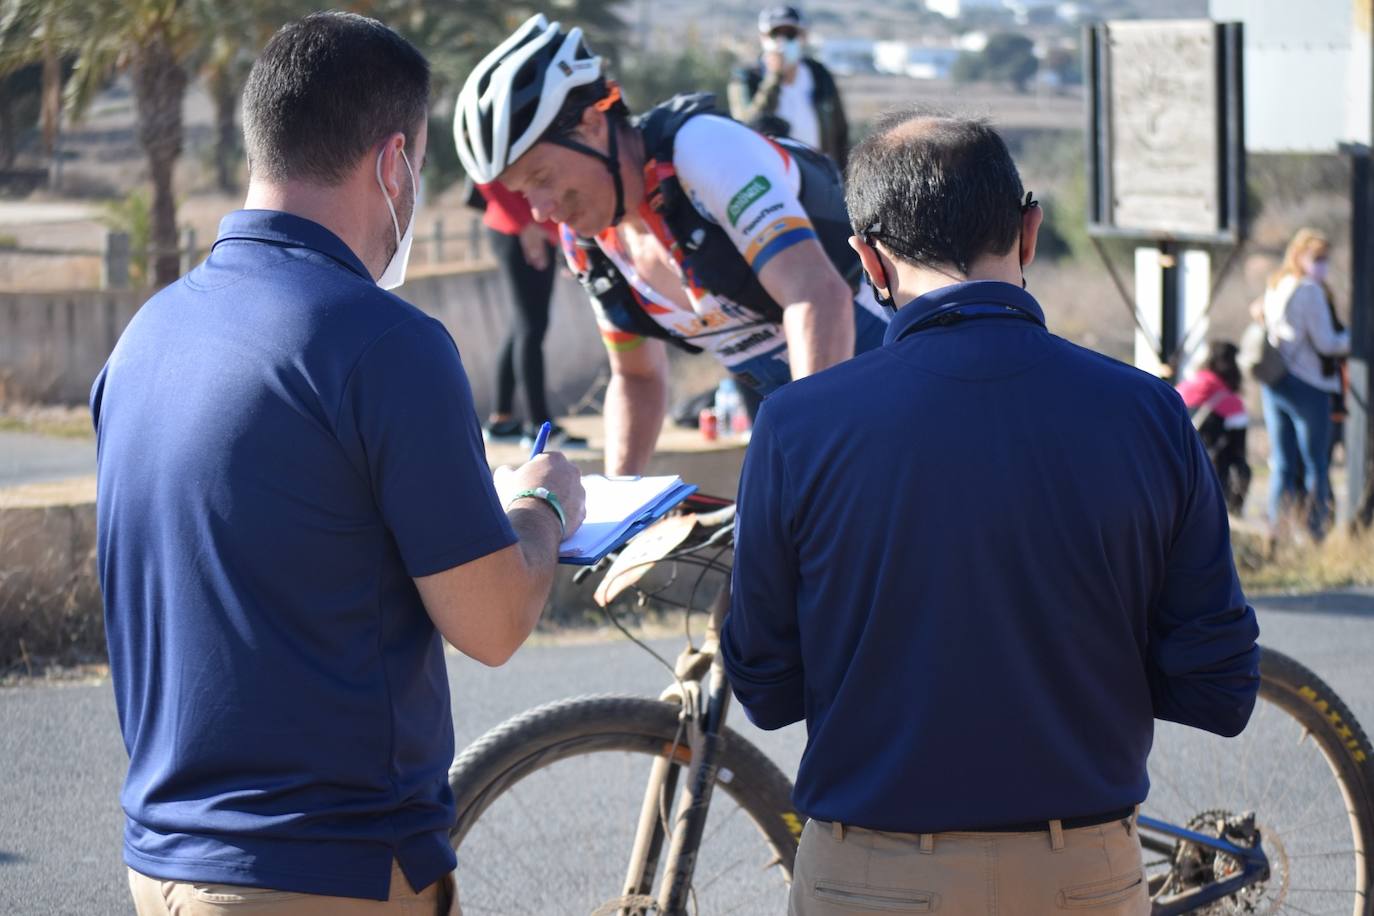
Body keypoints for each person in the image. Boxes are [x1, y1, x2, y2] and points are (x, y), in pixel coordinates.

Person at [91, 13, 585, 915]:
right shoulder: (386, 345)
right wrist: (545, 507)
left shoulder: (144, 337)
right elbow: (492, 622)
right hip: (326, 873)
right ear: (392, 163)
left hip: (161, 864)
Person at [720, 111, 1260, 915]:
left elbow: (764, 687)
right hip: (1086, 873)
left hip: (868, 874)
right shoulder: (1148, 414)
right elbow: (1221, 688)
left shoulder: (798, 425)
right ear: (1030, 230)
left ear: (867, 258)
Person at [453, 14, 887, 476]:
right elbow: (637, 377)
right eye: (523, 192)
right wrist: (615, 513)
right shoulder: (589, 242)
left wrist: (814, 471)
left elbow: (816, 297)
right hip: (804, 406)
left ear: (590, 126)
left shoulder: (701, 151)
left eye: (541, 177)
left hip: (897, 379)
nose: (539, 210)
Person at [474, 179, 587, 448]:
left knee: (522, 326)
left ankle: (502, 419)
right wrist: (525, 225)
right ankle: (539, 427)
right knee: (531, 328)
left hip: (528, 229)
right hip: (519, 230)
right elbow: (485, 175)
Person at [1259, 227, 1349, 539]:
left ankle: (1276, 531)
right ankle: (1316, 532)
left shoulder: (1277, 283)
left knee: (1283, 464)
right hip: (1309, 383)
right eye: (1318, 257)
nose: (1323, 264)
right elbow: (1326, 343)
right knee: (1317, 465)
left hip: (1275, 382)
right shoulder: (1309, 290)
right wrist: (1356, 338)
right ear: (1299, 256)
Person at [727, 5, 850, 169]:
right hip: (773, 174)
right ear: (763, 38)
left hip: (820, 172)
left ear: (803, 37)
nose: (782, 41)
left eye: (790, 34)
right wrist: (774, 78)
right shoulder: (745, 79)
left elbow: (840, 131)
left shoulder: (819, 75)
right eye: (775, 34)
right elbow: (748, 125)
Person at [1175, 341, 1251, 515]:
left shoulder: (1181, 389)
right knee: (1241, 467)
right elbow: (1238, 452)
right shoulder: (1232, 403)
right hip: (1210, 481)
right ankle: (1232, 514)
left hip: (1175, 473)